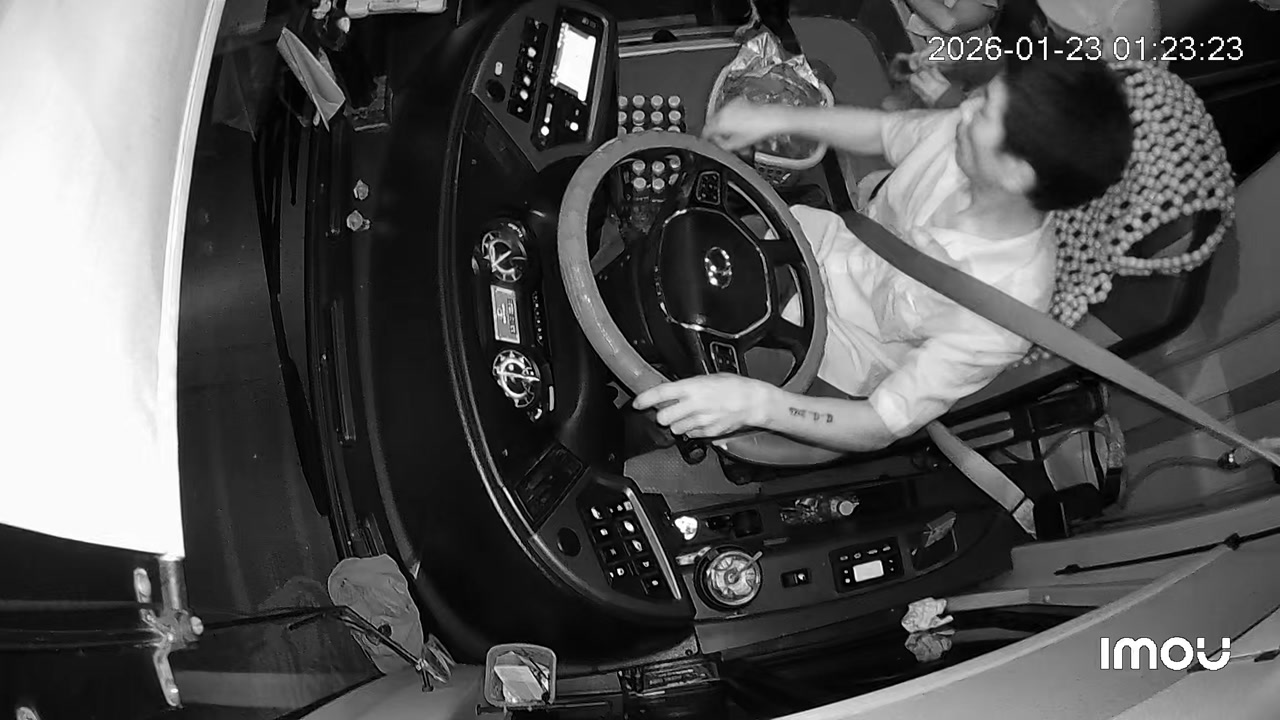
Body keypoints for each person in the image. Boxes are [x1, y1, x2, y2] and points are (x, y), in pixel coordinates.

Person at [633, 54, 1133, 453]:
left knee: (672, 393)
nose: (963, 109)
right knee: (670, 255)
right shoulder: (961, 140)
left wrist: (757, 404)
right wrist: (774, 117)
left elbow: (878, 423)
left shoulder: (1001, 316)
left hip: (835, 356)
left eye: (984, 112)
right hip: (814, 242)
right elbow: (883, 132)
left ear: (1017, 173)